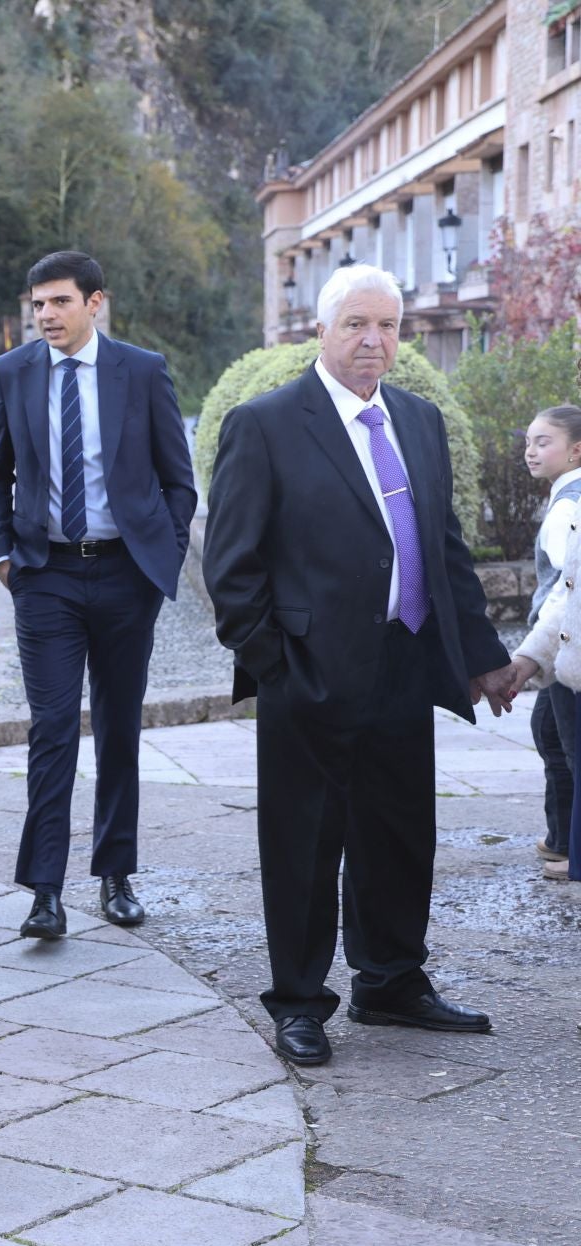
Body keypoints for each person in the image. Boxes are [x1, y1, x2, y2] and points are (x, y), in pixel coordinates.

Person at [204, 262, 513, 1069]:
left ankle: (390, 981)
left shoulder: (418, 418)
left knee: (401, 832)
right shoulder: (266, 423)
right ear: (323, 329)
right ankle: (300, 1001)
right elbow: (232, 570)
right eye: (357, 325)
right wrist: (276, 664)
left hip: (406, 660)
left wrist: (480, 656)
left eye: (389, 327)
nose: (375, 341)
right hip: (310, 671)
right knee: (306, 843)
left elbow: (443, 548)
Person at [0, 250, 196, 938]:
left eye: (58, 302)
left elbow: (177, 478)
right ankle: (45, 891)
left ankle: (116, 874)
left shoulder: (142, 370)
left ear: (94, 302)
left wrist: (157, 556)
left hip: (124, 574)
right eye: (37, 304)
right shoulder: (10, 372)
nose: (44, 315)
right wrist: (5, 556)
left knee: (118, 725)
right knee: (51, 730)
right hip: (45, 576)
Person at [520, 406, 581, 880]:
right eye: (529, 441)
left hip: (567, 648)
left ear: (576, 450)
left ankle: (567, 845)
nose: (531, 450)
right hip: (558, 647)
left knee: (565, 746)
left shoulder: (567, 506)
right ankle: (562, 839)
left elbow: (569, 580)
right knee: (550, 735)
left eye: (544, 442)